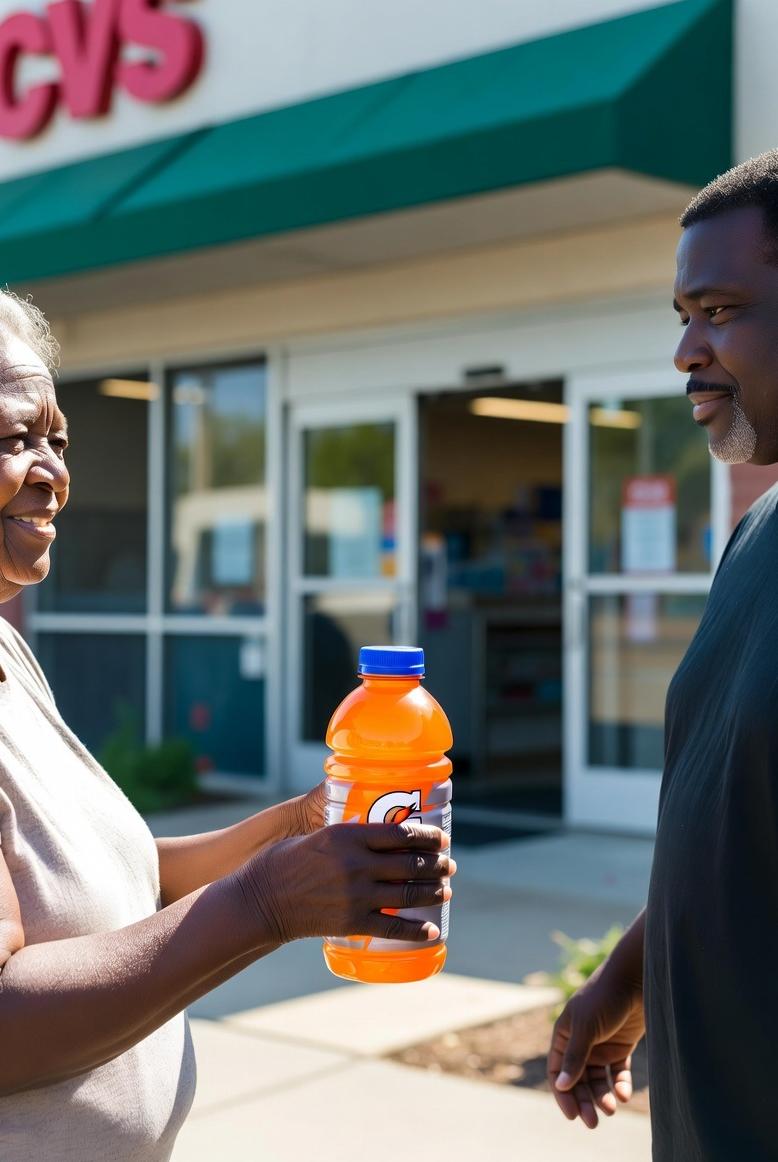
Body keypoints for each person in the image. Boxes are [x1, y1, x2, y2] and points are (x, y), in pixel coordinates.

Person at [0, 292, 455, 1160]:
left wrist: (295, 833)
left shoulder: (6, 652)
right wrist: (266, 903)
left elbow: (112, 887)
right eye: (14, 437)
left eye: (58, 440)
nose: (50, 468)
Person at [547, 149, 778, 1160]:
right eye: (680, 315)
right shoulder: (755, 531)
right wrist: (624, 982)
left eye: (718, 309)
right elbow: (733, 819)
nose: (685, 350)